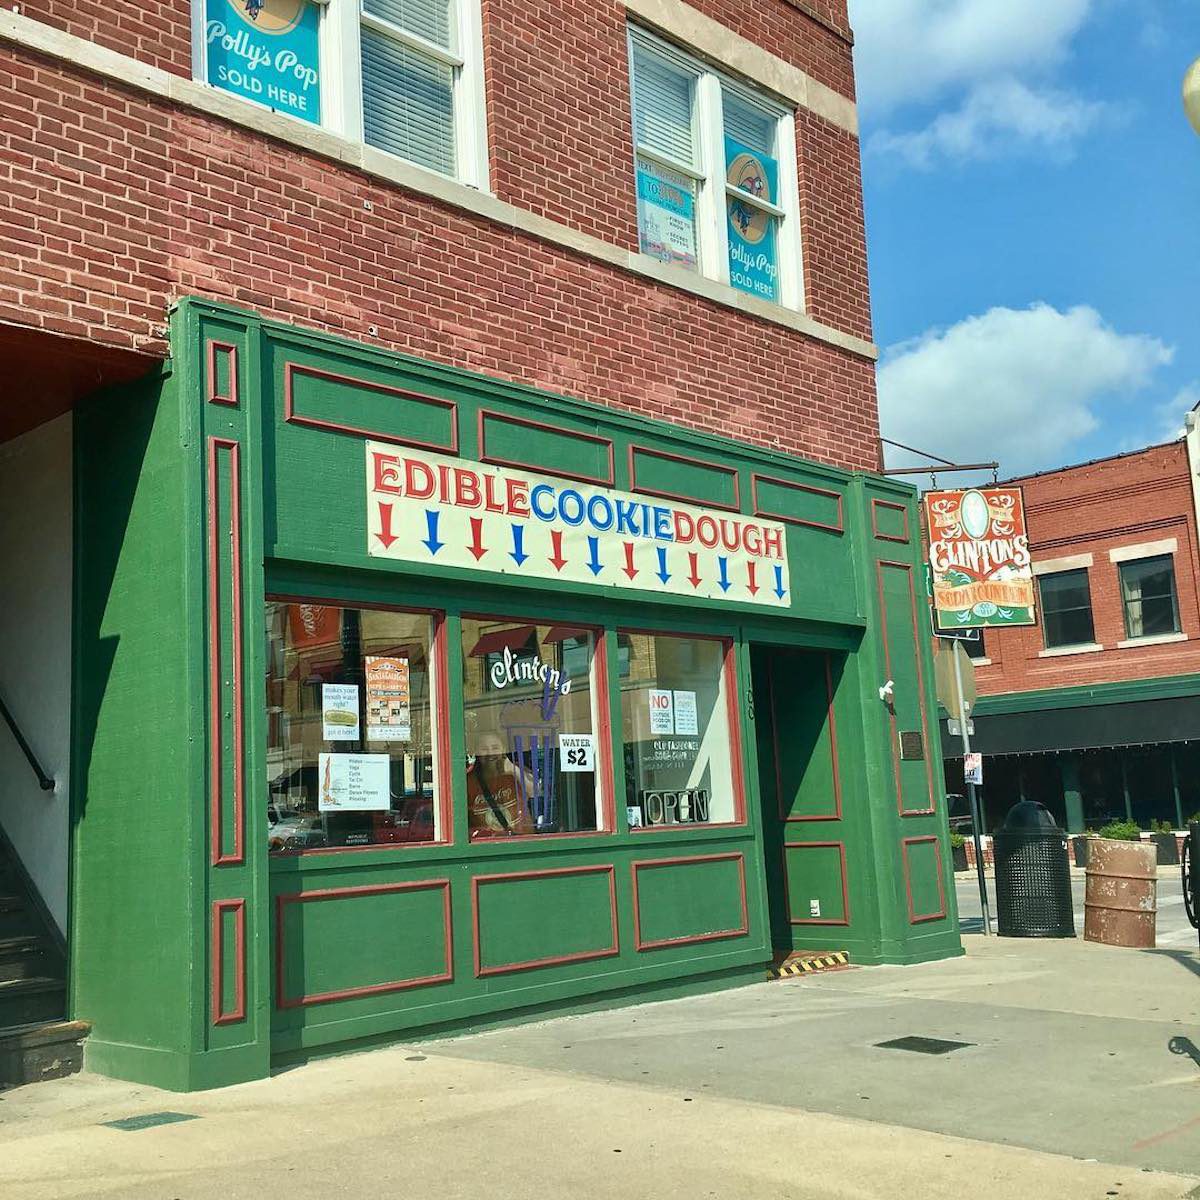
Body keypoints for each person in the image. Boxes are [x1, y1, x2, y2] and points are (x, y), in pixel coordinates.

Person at [466, 731, 535, 837]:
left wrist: (513, 770)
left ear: (503, 749)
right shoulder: (468, 780)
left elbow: (535, 792)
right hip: (487, 845)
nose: (490, 753)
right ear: (476, 752)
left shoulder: (517, 771)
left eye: (495, 748)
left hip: (523, 840)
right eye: (484, 749)